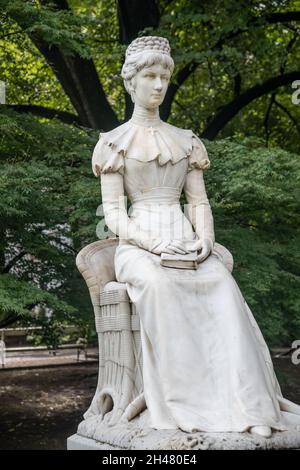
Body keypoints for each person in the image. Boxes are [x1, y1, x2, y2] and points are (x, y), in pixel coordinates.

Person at [92, 36, 300, 437]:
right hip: (139, 246)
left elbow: (199, 203)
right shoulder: (113, 142)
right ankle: (190, 406)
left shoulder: (185, 140)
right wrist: (153, 244)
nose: (157, 85)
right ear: (130, 83)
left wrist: (205, 239)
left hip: (186, 241)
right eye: (149, 76)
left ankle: (249, 405)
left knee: (222, 284)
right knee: (158, 286)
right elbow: (115, 213)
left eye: (163, 77)